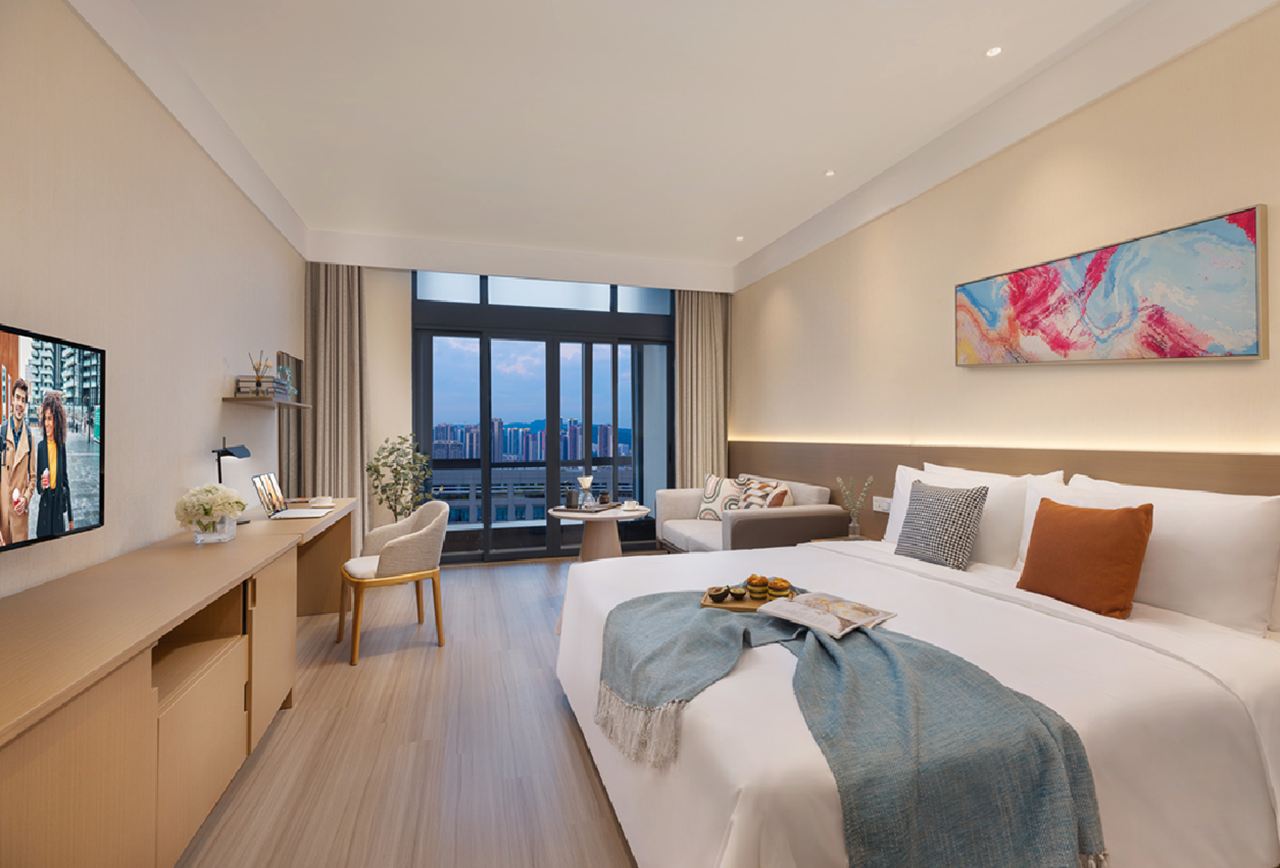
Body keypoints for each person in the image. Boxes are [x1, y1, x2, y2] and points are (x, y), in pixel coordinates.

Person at [0, 378, 35, 546]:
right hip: (2, 519)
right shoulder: (1, 433)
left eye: (23, 400)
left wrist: (26, 499)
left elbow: (33, 478)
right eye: (17, 398)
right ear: (12, 400)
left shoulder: (30, 437)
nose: (20, 404)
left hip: (20, 518)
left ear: (26, 404)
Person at [35, 391, 74, 538]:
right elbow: (38, 487)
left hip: (58, 508)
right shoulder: (40, 447)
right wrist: (41, 484)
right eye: (45, 419)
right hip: (44, 509)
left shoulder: (61, 447)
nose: (47, 423)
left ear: (57, 421)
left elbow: (65, 482)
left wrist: (70, 517)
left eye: (50, 419)